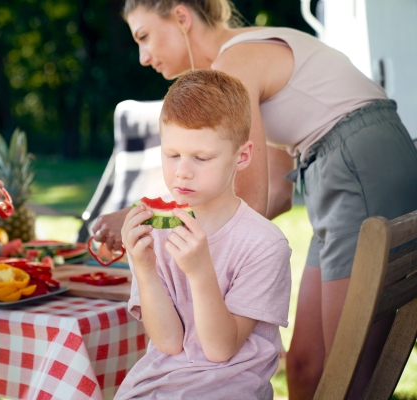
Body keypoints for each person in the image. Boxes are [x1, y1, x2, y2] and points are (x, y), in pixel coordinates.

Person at [93, 1, 417, 398]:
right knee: (305, 363)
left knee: (346, 367)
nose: (143, 57)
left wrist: (146, 217)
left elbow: (243, 201)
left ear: (180, 17)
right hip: (336, 166)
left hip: (357, 161)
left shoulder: (233, 66)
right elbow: (275, 193)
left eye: (144, 36)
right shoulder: (238, 74)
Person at [116, 69, 291, 399]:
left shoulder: (265, 245)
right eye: (172, 154)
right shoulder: (153, 234)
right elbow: (167, 342)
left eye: (201, 157)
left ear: (242, 156)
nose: (183, 170)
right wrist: (144, 268)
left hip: (229, 390)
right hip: (158, 386)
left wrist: (199, 272)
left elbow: (220, 349)